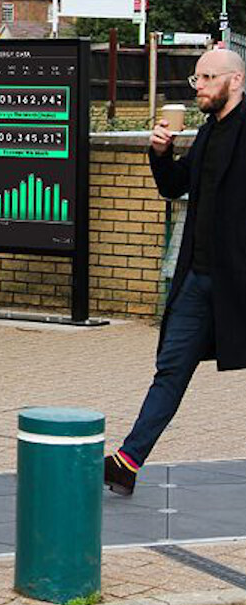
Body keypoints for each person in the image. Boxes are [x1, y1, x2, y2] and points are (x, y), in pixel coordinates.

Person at [105, 48, 246, 496]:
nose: (198, 86)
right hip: (197, 280)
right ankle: (127, 462)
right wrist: (161, 153)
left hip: (238, 281)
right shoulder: (207, 132)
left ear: (235, 81)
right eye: (196, 79)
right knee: (170, 368)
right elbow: (174, 186)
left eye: (207, 78)